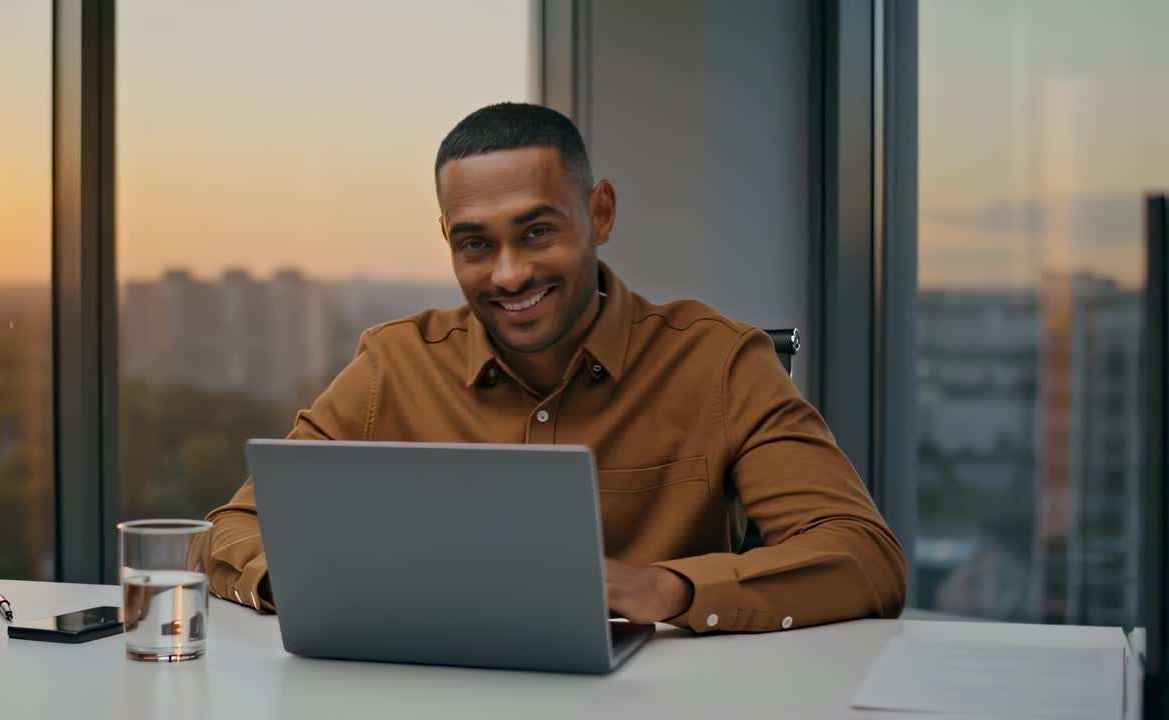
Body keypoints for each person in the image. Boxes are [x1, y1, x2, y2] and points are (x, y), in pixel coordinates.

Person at [192, 102, 906, 632]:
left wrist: (668, 589)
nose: (508, 274)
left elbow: (864, 556)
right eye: (475, 244)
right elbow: (229, 531)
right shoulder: (395, 364)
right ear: (447, 240)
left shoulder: (719, 361)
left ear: (599, 214)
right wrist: (309, 582)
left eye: (537, 232)